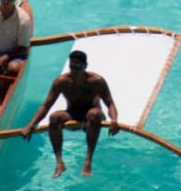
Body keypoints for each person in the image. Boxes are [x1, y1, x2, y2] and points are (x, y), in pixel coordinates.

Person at [25, 49, 119, 178]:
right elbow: (46, 105)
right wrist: (30, 125)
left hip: (93, 113)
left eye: (77, 66)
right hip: (73, 112)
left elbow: (110, 103)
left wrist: (114, 120)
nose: (74, 69)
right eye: (71, 65)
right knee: (54, 118)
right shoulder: (62, 81)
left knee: (93, 114)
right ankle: (59, 162)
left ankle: (88, 160)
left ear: (85, 66)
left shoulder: (96, 81)